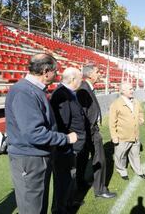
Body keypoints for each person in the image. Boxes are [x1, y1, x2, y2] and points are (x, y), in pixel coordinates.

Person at [5, 53, 77, 214]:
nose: (57, 74)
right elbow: (34, 133)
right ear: (46, 71)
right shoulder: (24, 92)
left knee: (39, 205)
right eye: (55, 71)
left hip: (36, 157)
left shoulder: (32, 90)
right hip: (30, 159)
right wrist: (65, 138)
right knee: (33, 208)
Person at [76, 64, 116, 199]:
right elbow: (82, 114)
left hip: (88, 132)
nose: (100, 74)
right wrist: (90, 132)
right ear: (90, 75)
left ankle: (81, 184)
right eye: (98, 72)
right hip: (90, 132)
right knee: (100, 160)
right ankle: (100, 190)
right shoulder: (83, 89)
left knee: (82, 160)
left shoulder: (86, 88)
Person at [49, 67, 85, 213]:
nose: (81, 81)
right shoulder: (61, 94)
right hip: (65, 147)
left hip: (71, 145)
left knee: (70, 177)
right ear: (72, 79)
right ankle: (60, 209)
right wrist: (70, 142)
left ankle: (68, 203)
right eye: (79, 79)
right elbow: (62, 124)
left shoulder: (68, 92)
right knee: (63, 180)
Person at [109, 82, 145, 180]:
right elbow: (112, 122)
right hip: (122, 136)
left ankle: (138, 171)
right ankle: (122, 171)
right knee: (120, 156)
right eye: (130, 89)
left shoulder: (135, 101)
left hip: (135, 135)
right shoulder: (116, 104)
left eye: (132, 89)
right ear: (123, 91)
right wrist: (114, 137)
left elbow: (140, 112)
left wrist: (141, 118)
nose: (132, 91)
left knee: (135, 155)